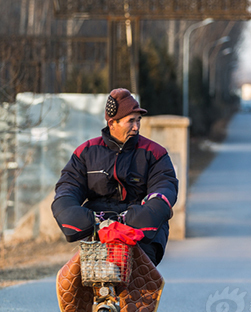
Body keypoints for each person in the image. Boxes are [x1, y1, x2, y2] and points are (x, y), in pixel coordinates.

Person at [51, 88, 178, 266]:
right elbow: (67, 187)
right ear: (112, 123)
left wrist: (140, 215)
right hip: (98, 229)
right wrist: (80, 216)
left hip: (139, 230)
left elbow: (165, 186)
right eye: (130, 121)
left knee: (142, 281)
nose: (136, 126)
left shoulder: (155, 153)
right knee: (71, 284)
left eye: (138, 120)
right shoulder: (86, 152)